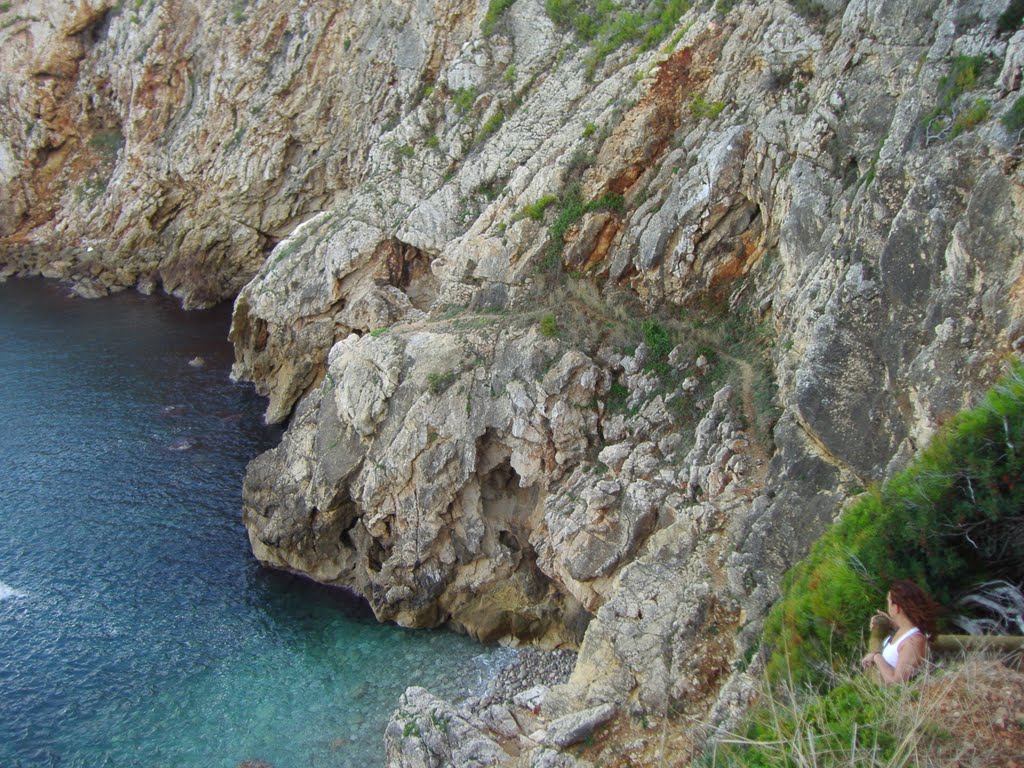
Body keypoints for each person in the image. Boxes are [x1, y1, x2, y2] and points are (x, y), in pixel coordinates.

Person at [860, 579, 938, 684]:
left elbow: (897, 681)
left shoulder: (914, 641)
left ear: (897, 608)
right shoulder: (906, 631)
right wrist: (885, 621)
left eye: (889, 602)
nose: (888, 606)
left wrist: (876, 657)